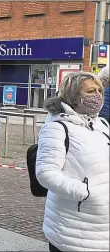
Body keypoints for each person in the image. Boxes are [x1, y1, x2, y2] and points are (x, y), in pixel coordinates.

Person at [36, 71, 109, 252]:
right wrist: (86, 193)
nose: (98, 96)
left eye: (100, 91)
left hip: (102, 227)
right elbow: (46, 173)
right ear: (74, 96)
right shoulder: (57, 127)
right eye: (91, 91)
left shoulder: (102, 125)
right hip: (73, 229)